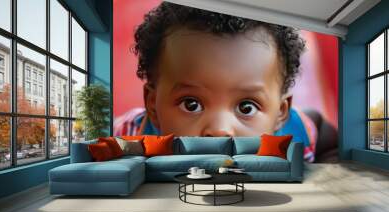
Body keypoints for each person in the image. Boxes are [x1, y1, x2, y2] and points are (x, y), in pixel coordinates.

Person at [114, 2, 317, 162]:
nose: (220, 131)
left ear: (280, 113)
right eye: (191, 104)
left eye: (246, 107)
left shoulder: (299, 133)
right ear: (153, 104)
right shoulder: (129, 133)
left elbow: (327, 137)